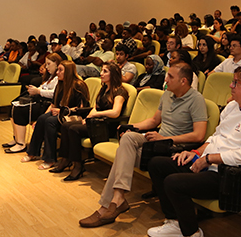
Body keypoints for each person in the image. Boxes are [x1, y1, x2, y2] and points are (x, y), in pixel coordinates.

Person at [145, 65, 241, 237]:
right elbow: (216, 137)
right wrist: (196, 153)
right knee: (158, 164)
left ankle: (193, 236)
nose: (230, 86)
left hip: (231, 177)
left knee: (174, 183)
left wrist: (209, 159)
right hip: (209, 164)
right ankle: (174, 222)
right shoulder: (232, 107)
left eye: (236, 83)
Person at [78, 61, 208, 227]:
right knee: (128, 137)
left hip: (172, 146)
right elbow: (154, 120)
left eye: (170, 76)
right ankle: (118, 198)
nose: (165, 79)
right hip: (157, 140)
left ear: (183, 81)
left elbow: (199, 135)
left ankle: (107, 206)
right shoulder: (167, 94)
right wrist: (132, 127)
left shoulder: (196, 100)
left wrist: (165, 139)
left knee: (122, 156)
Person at [54, 63, 129, 181]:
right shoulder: (104, 88)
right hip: (96, 123)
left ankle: (78, 166)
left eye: (105, 71)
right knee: (66, 125)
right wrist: (88, 118)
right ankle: (66, 159)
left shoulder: (120, 91)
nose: (101, 74)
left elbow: (115, 112)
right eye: (102, 70)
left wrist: (96, 115)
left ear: (113, 74)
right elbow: (95, 107)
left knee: (73, 129)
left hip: (107, 126)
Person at [22, 60, 90, 169]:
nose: (57, 73)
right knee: (42, 118)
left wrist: (62, 111)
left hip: (73, 116)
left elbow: (81, 108)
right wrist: (41, 118)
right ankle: (33, 152)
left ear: (68, 71)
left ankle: (50, 159)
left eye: (60, 70)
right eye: (58, 70)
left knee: (50, 122)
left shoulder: (79, 85)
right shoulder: (60, 84)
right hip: (61, 114)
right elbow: (53, 104)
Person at [3, 54, 62, 153]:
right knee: (13, 106)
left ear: (56, 64)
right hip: (40, 100)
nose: (46, 67)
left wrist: (38, 92)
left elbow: (55, 94)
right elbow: (43, 87)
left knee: (20, 110)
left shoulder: (58, 78)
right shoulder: (49, 77)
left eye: (48, 64)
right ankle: (17, 138)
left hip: (47, 104)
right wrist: (35, 90)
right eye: (45, 64)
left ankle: (21, 144)